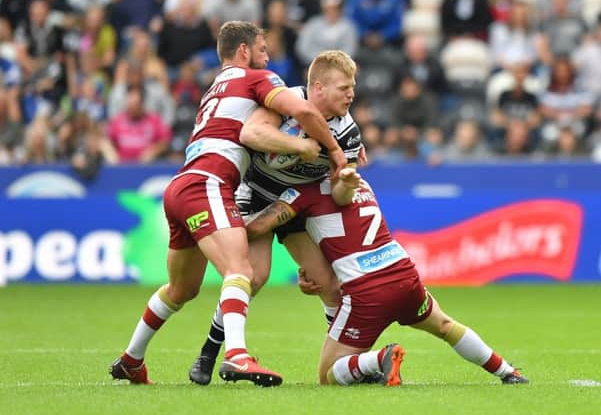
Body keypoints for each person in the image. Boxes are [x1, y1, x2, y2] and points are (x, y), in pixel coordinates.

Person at [109, 20, 346, 386]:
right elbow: (303, 112)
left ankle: (131, 358)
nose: (268, 58)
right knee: (241, 271)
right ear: (244, 51)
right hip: (209, 183)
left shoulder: (215, 88)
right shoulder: (255, 79)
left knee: (181, 289)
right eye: (263, 50)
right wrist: (332, 151)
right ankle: (236, 356)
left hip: (181, 185)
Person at [243, 168, 530, 386]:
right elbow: (344, 229)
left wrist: (219, 222)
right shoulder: (362, 183)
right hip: (404, 274)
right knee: (444, 325)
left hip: (368, 290)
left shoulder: (303, 194)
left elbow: (258, 228)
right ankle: (507, 371)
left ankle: (378, 359)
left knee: (328, 374)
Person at [189, 50, 363, 385]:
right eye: (344, 87)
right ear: (318, 88)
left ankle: (344, 360)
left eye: (352, 87)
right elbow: (251, 135)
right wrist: (298, 146)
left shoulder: (349, 132)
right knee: (254, 277)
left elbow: (342, 196)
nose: (351, 94)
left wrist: (345, 184)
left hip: (297, 203)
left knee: (328, 284)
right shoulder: (286, 102)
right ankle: (208, 353)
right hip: (254, 193)